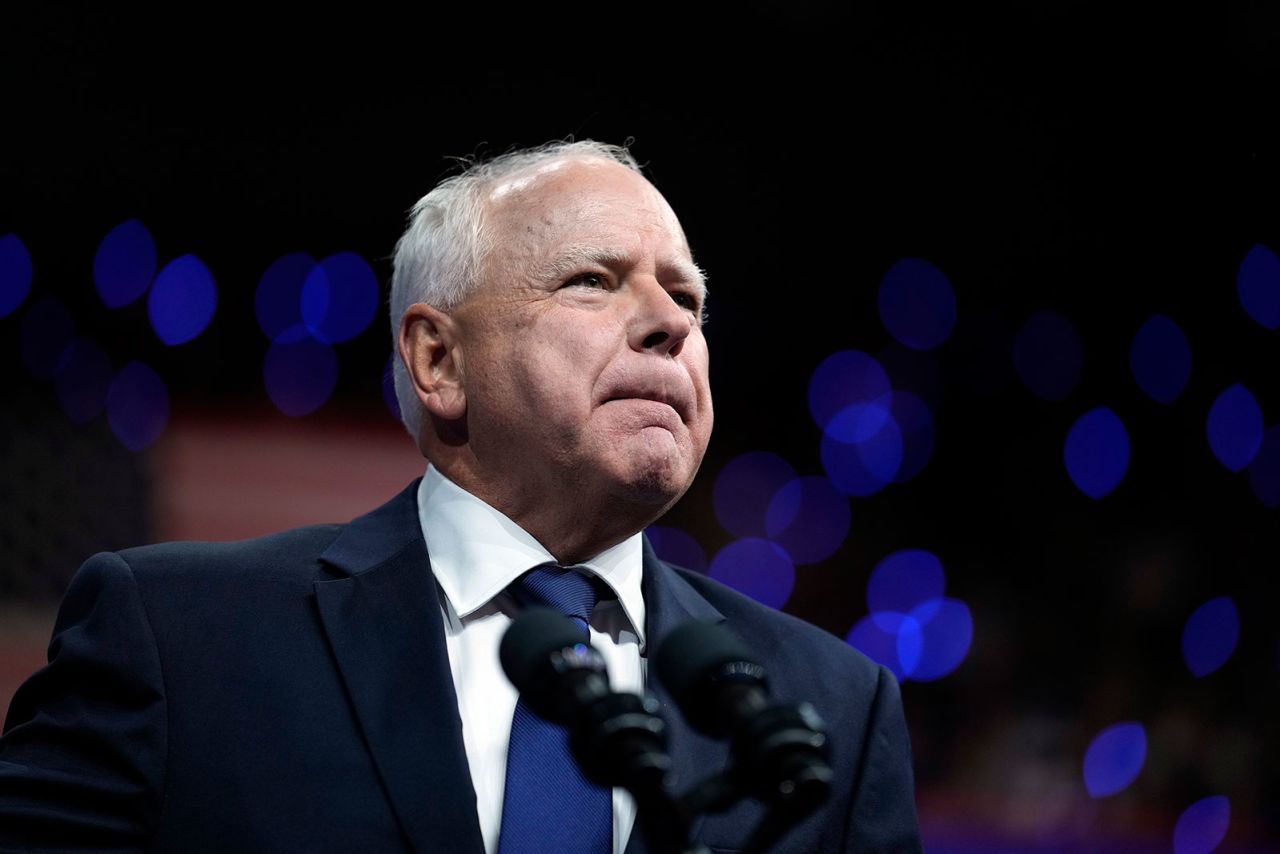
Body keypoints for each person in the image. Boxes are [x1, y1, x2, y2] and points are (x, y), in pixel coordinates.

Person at [0, 140, 922, 852]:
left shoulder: (829, 707)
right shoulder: (179, 636)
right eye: (594, 282)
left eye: (686, 297)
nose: (671, 323)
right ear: (438, 360)